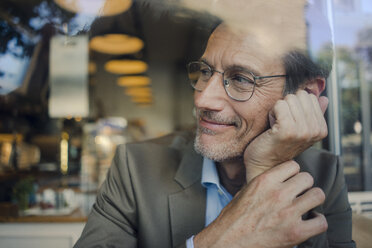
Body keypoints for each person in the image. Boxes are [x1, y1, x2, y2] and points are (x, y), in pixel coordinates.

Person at [74, 2, 355, 248]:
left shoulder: (325, 175)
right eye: (205, 71)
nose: (203, 98)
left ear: (305, 95)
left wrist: (266, 171)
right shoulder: (135, 168)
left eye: (242, 79)